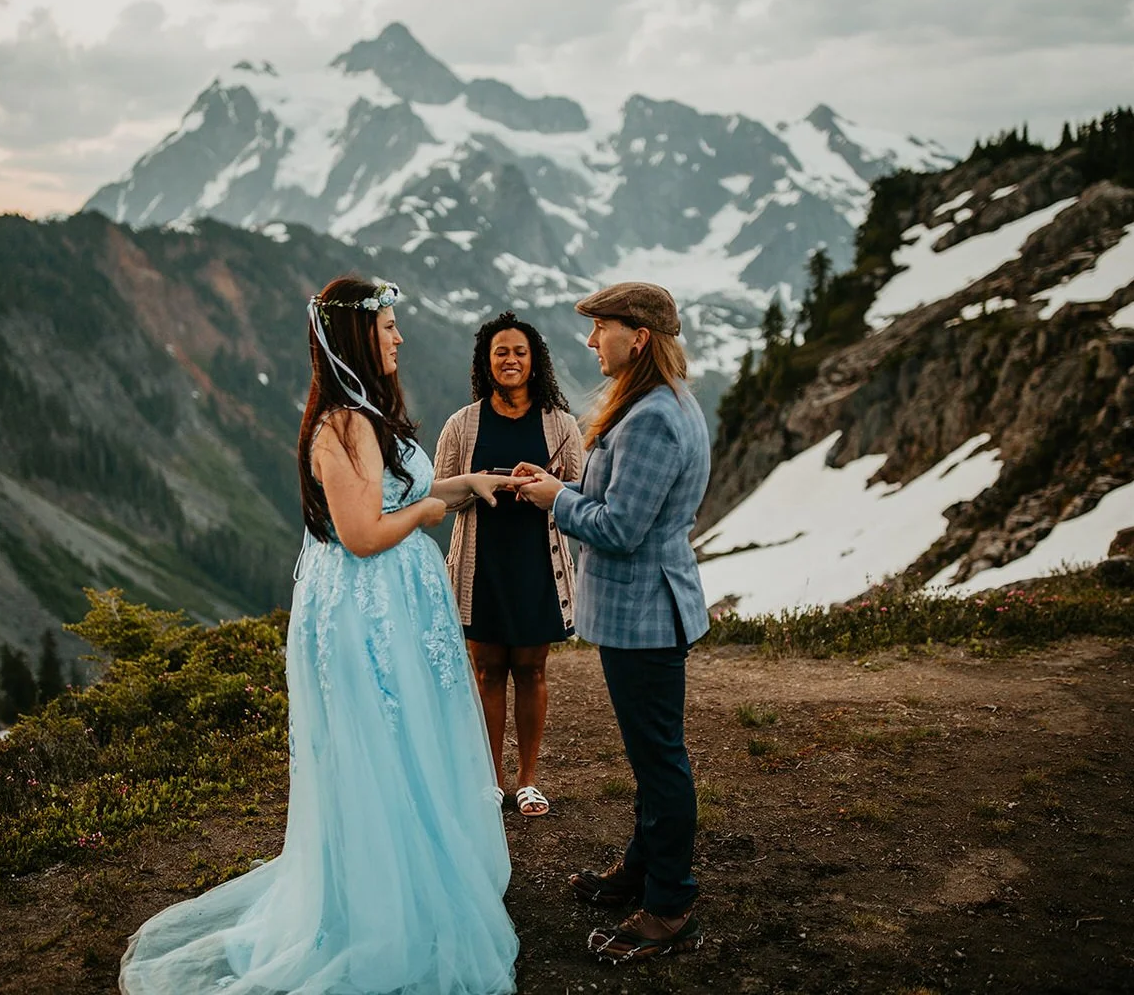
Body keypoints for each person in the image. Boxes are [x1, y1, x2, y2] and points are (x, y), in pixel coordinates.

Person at [119, 277, 526, 995]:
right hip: (368, 614)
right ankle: (384, 910)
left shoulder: (368, 414)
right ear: (358, 337)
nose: (400, 337)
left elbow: (404, 494)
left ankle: (413, 878)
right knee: (381, 749)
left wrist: (474, 485)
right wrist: (432, 514)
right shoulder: (344, 425)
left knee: (406, 746)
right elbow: (364, 534)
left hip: (391, 606)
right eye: (390, 326)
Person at [515, 281, 711, 964]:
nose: (592, 341)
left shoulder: (653, 416)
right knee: (650, 752)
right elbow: (621, 503)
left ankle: (670, 903)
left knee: (660, 760)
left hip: (646, 614)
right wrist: (561, 487)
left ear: (641, 338)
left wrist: (552, 501)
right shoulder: (656, 404)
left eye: (602, 329)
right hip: (645, 611)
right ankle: (640, 867)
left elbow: (623, 529)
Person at [434, 311, 583, 818]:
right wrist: (481, 482)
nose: (511, 360)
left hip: (538, 563)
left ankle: (529, 781)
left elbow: (580, 494)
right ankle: (492, 781)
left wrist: (545, 482)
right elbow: (440, 498)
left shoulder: (561, 425)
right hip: (482, 565)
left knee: (532, 667)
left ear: (534, 360)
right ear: (486, 361)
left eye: (520, 351)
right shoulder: (462, 424)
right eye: (501, 352)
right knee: (486, 670)